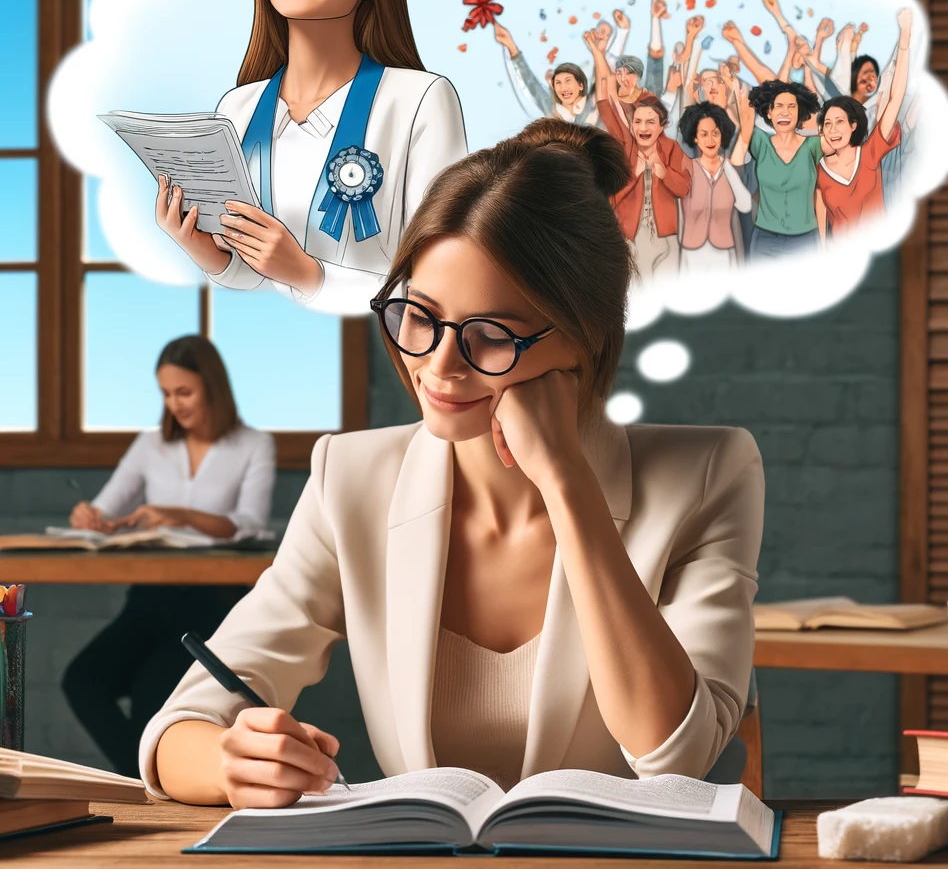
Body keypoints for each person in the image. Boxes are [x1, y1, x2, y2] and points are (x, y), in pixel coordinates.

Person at [141, 119, 764, 809]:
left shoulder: (709, 474)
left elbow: (674, 752)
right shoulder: (350, 480)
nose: (438, 365)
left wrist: (567, 484)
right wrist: (230, 763)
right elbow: (178, 729)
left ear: (584, 338)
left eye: (490, 335)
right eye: (419, 315)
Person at [155, 0, 467, 312]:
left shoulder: (421, 100)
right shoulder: (237, 108)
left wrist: (309, 275)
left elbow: (442, 278)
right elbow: (258, 277)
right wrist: (211, 255)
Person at [61, 336, 275, 778]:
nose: (174, 404)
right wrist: (90, 517)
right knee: (83, 681)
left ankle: (143, 788)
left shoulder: (254, 444)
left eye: (184, 392)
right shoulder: (150, 444)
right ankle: (142, 782)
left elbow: (251, 524)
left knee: (150, 700)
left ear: (212, 387)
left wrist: (181, 514)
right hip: (149, 598)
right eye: (165, 394)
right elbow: (106, 508)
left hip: (212, 603)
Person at [814, 9, 912, 238]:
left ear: (853, 125)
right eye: (827, 124)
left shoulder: (869, 153)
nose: (833, 130)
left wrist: (905, 39)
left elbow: (895, 97)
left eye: (839, 122)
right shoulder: (820, 169)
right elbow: (821, 206)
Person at [730, 79, 823, 259]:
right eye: (779, 106)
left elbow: (841, 137)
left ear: (799, 112)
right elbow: (743, 119)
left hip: (805, 241)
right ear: (769, 112)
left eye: (791, 106)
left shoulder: (813, 145)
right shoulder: (760, 142)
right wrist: (734, 88)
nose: (785, 112)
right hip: (765, 240)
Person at [676, 101, 753, 271]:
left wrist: (727, 167)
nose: (710, 140)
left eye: (715, 133)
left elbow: (745, 204)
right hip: (692, 252)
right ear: (695, 137)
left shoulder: (729, 169)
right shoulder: (686, 168)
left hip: (724, 252)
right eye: (704, 134)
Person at [491, 21, 597, 125]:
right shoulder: (554, 111)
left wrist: (597, 52)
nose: (563, 87)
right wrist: (511, 47)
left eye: (568, 80)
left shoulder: (592, 106)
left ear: (580, 85)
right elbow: (531, 86)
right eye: (558, 83)